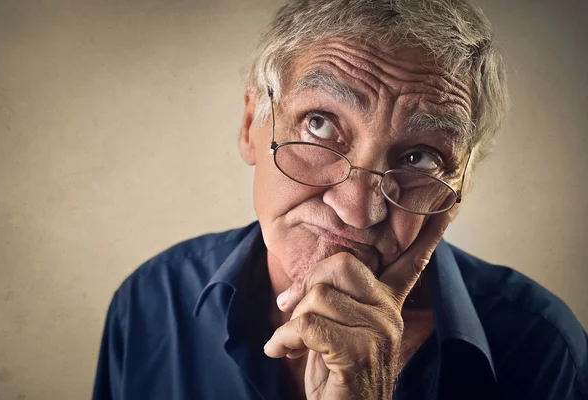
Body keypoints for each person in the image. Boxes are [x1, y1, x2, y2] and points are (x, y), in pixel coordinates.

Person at [92, 0, 588, 399]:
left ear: (459, 187)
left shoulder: (541, 348)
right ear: (251, 126)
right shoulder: (149, 305)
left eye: (419, 159)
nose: (358, 208)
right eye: (320, 125)